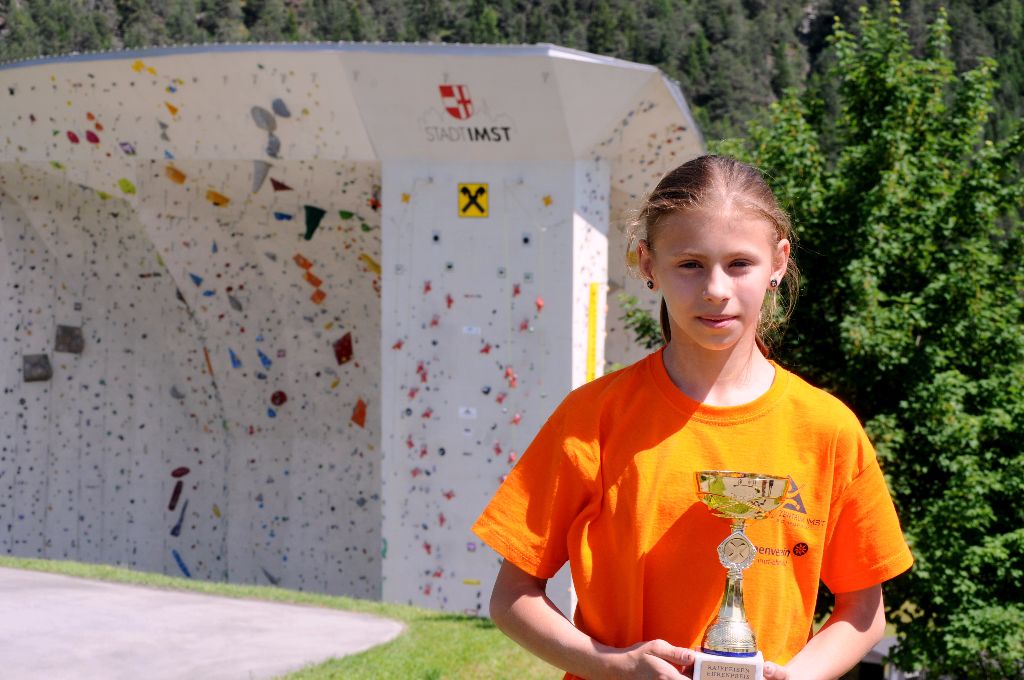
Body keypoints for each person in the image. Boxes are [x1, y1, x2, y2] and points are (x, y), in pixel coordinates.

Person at [471, 154, 913, 680]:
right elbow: (512, 597)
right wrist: (614, 666)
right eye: (691, 264)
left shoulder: (828, 429)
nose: (716, 289)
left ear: (778, 263)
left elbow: (863, 612)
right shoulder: (593, 419)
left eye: (740, 264)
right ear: (648, 264)